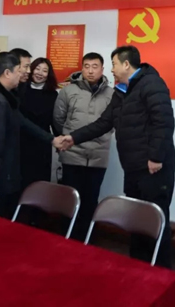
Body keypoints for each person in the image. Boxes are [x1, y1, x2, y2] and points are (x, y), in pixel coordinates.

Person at [60, 46, 175, 268]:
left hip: (153, 168)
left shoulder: (152, 84)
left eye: (113, 64)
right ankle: (138, 266)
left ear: (126, 64)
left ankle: (161, 273)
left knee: (156, 219)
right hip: (133, 167)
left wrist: (156, 157)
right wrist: (73, 138)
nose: (111, 70)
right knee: (137, 219)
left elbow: (164, 121)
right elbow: (104, 122)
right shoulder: (122, 90)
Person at [0, 52, 66, 219]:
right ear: (7, 73)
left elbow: (21, 121)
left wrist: (51, 139)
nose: (25, 73)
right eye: (21, 69)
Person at [53, 52, 114, 241]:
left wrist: (101, 137)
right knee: (70, 198)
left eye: (95, 66)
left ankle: (86, 239)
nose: (90, 71)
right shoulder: (68, 91)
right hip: (72, 153)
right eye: (86, 66)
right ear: (82, 68)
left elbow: (113, 122)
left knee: (90, 199)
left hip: (98, 155)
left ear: (102, 69)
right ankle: (67, 237)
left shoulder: (112, 94)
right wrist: (67, 137)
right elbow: (58, 119)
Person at [19, 58, 59, 190]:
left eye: (44, 70)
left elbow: (55, 121)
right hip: (21, 142)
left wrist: (59, 140)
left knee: (40, 184)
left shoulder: (53, 94)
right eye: (37, 69)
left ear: (49, 74)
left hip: (42, 143)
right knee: (20, 182)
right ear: (31, 70)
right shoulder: (20, 90)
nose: (40, 73)